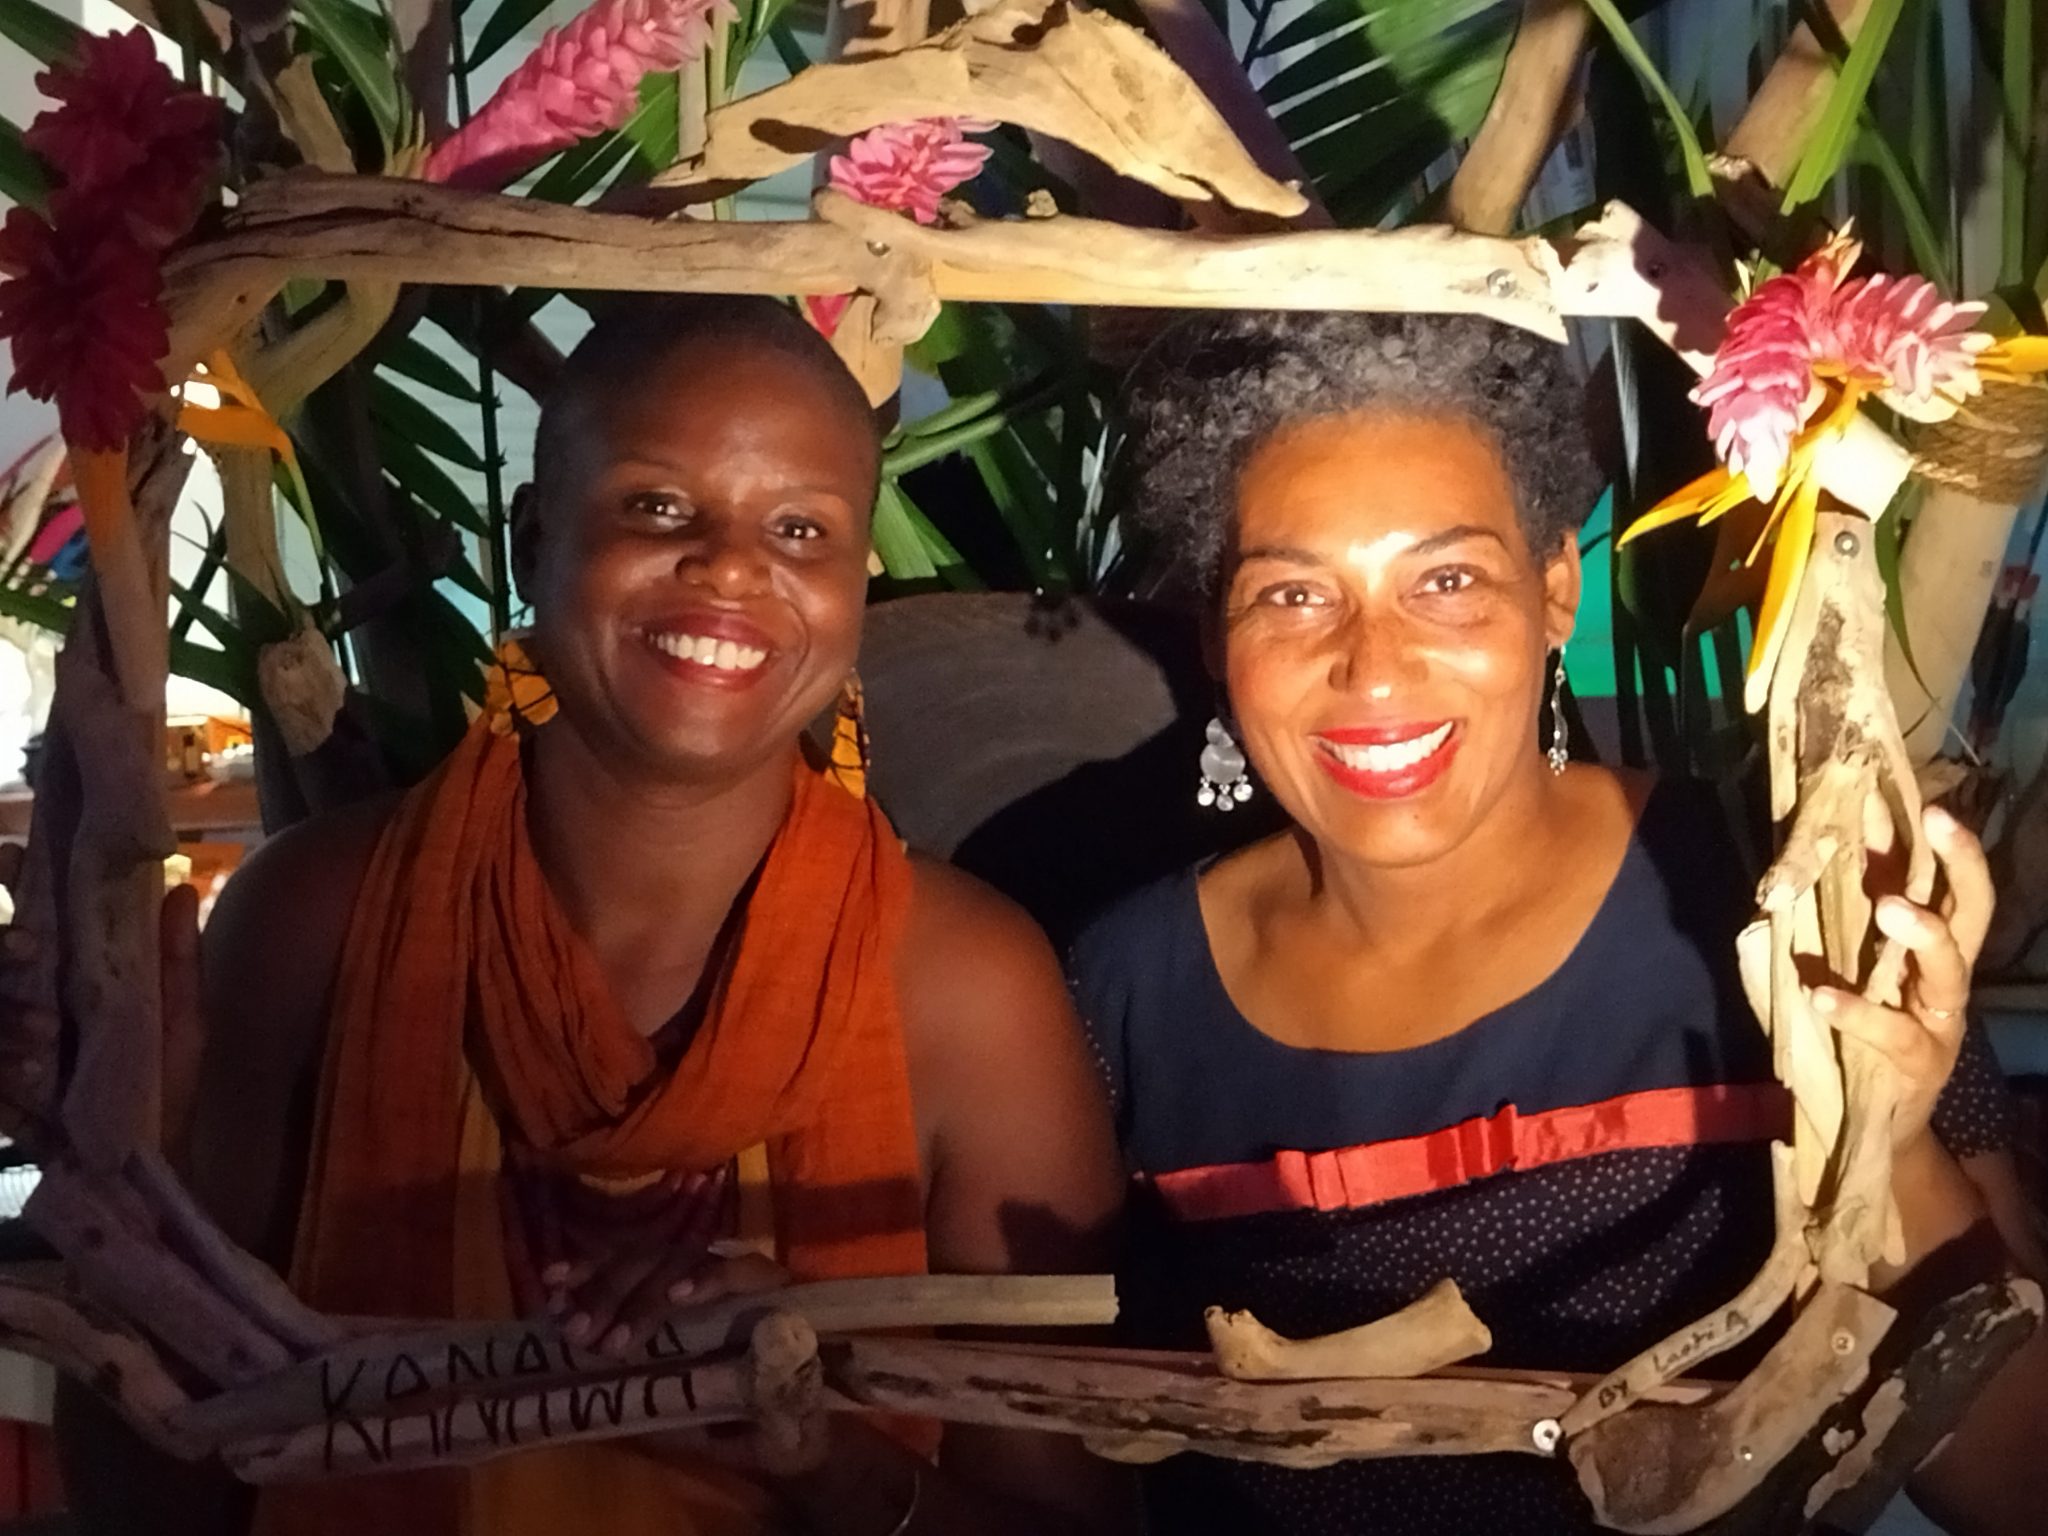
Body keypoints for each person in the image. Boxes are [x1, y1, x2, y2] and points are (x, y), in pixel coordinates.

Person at [51, 294, 1127, 1536]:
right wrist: (133, 1172)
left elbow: (1078, 1524)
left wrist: (821, 1453)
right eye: (657, 507)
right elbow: (155, 1499)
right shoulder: (318, 919)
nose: (731, 566)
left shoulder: (965, 987)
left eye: (800, 528)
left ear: (853, 581)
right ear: (533, 537)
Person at [1068, 308, 2040, 1535]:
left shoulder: (1789, 896)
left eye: (1446, 581)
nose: (1372, 666)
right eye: (1293, 594)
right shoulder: (1124, 989)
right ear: (1219, 636)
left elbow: (2013, 1482)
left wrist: (1882, 1142)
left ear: (1553, 592)